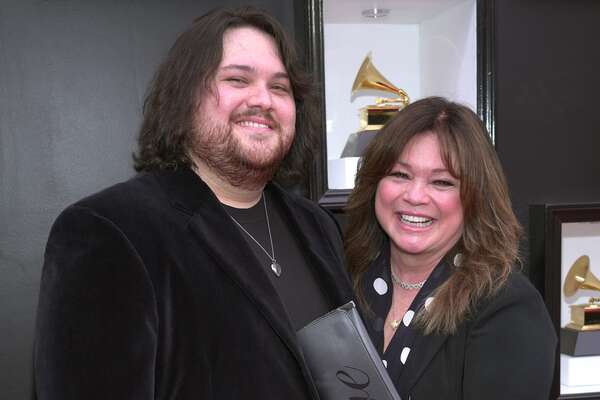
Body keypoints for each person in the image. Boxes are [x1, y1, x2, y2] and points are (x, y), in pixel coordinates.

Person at [33, 7, 353, 400]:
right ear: (185, 99)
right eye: (237, 79)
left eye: (280, 87)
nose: (263, 100)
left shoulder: (318, 226)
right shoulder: (109, 231)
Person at [345, 97, 556, 400]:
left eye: (442, 182)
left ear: (475, 198)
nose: (415, 196)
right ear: (374, 183)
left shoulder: (509, 310)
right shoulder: (344, 276)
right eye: (400, 175)